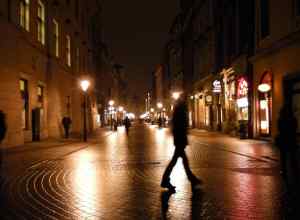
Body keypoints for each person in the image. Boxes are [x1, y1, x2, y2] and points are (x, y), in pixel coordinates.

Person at [161, 94, 202, 192]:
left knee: (181, 161)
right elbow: (180, 125)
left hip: (179, 139)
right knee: (177, 161)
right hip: (180, 139)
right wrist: (183, 137)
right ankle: (166, 180)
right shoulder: (180, 109)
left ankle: (192, 179)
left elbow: (178, 125)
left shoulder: (179, 108)